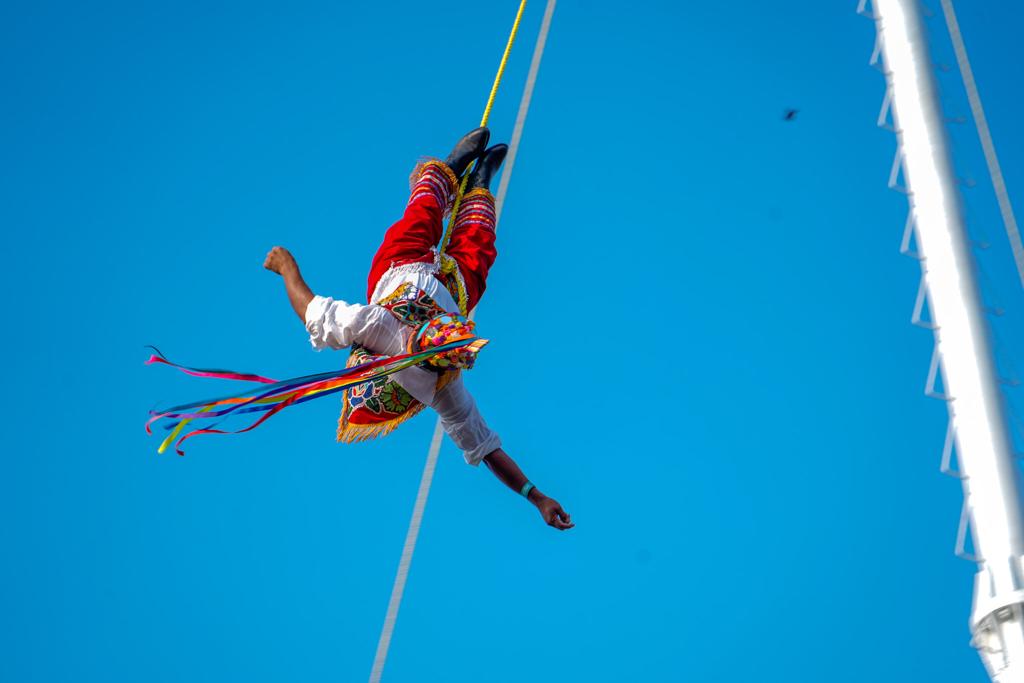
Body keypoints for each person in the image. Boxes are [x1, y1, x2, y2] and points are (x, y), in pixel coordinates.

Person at [263, 127, 573, 530]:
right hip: (454, 291)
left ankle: (447, 170)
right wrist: (536, 496)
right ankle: (479, 187)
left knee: (420, 218)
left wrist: (287, 269)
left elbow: (314, 315)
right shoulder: (444, 387)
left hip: (399, 267)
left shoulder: (374, 329)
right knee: (477, 251)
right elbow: (486, 447)